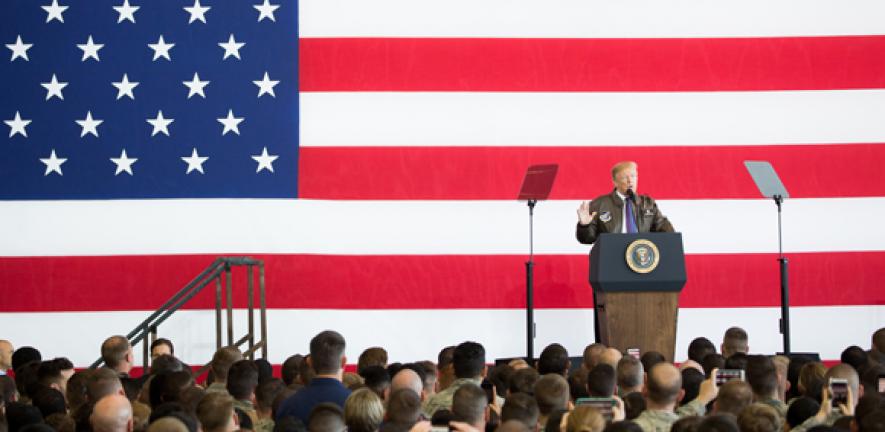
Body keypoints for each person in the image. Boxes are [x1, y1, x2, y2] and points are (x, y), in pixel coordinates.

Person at [576, 161, 674, 245]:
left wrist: (672, 237)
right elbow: (586, 239)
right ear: (615, 182)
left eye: (633, 176)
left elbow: (664, 230)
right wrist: (584, 226)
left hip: (641, 257)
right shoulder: (599, 204)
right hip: (612, 256)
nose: (630, 180)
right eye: (624, 177)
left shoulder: (648, 204)